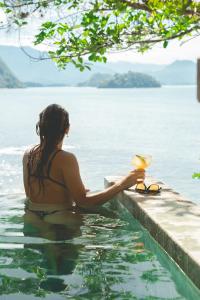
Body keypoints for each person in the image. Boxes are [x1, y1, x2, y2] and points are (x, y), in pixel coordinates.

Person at [23, 104, 145, 219]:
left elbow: (32, 195)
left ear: (41, 127)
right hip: (60, 220)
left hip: (32, 217)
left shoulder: (28, 154)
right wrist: (122, 184)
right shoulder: (66, 159)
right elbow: (83, 202)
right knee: (117, 228)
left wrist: (69, 193)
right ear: (67, 129)